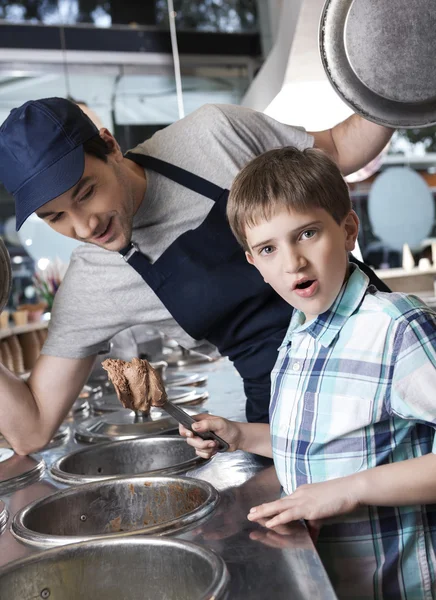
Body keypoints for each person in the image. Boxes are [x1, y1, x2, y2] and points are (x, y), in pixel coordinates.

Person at [0, 97, 392, 455]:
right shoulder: (93, 284)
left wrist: (404, 85)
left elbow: (338, 149)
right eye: (56, 217)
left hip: (385, 348)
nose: (84, 228)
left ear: (110, 146)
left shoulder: (212, 135)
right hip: (285, 419)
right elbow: (31, 430)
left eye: (86, 193)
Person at [180, 146, 436, 598]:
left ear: (348, 230)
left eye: (308, 233)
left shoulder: (395, 326)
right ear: (254, 265)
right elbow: (313, 444)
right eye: (268, 248)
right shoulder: (298, 333)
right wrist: (239, 435)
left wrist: (352, 489)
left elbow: (343, 477)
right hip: (327, 580)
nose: (292, 261)